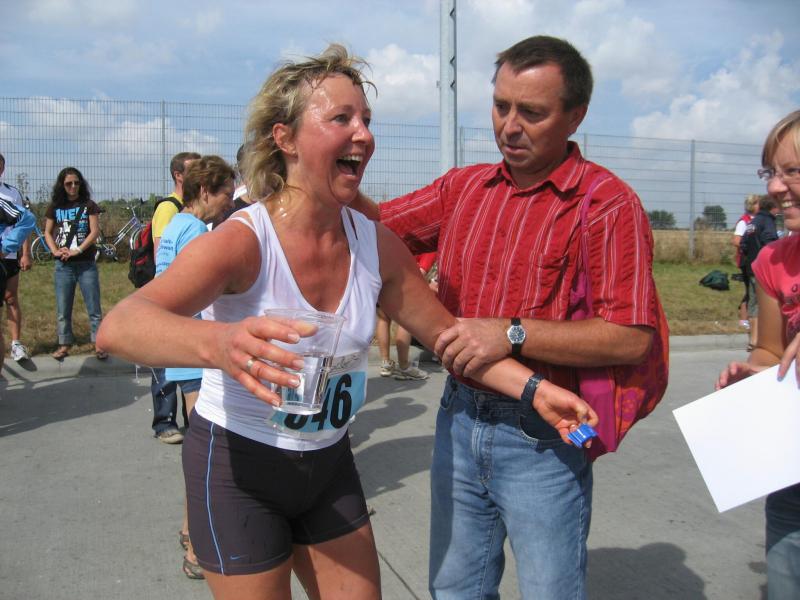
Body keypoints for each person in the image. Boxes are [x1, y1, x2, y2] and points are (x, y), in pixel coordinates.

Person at [95, 44, 598, 599]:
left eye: (366, 119)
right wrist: (219, 343)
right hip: (239, 470)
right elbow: (121, 326)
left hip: (327, 466)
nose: (364, 134)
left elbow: (448, 337)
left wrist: (535, 389)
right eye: (341, 118)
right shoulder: (244, 241)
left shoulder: (376, 245)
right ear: (285, 138)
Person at [352, 35, 663, 598]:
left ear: (575, 115)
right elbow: (377, 228)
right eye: (500, 106)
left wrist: (511, 333)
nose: (509, 126)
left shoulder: (605, 205)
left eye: (532, 112)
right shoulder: (464, 189)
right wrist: (333, 175)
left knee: (549, 589)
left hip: (543, 434)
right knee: (455, 587)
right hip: (458, 414)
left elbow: (630, 337)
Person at [717, 109, 800, 600]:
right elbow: (770, 349)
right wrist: (754, 376)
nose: (775, 187)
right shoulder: (774, 260)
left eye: (793, 171)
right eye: (771, 171)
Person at [153, 155, 235, 580]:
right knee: (207, 451)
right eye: (225, 194)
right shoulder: (198, 232)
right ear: (205, 191)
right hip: (193, 348)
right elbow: (201, 289)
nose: (229, 203)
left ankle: (191, 532)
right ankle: (195, 545)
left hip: (181, 345)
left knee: (203, 445)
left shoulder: (175, 227)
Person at [150, 151, 201, 445]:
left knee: (184, 374)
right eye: (193, 170)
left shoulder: (185, 211)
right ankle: (164, 423)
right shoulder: (169, 209)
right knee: (166, 370)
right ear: (178, 175)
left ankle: (187, 424)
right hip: (170, 298)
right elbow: (162, 252)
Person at [43, 167, 105, 360]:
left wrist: (78, 250)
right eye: (69, 183)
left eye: (76, 183)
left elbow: (94, 232)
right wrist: (54, 250)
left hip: (86, 264)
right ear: (62, 185)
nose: (73, 186)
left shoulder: (89, 205)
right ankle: (64, 343)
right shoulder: (55, 207)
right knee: (63, 308)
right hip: (63, 266)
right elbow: (47, 232)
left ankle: (99, 343)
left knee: (94, 307)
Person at [0, 154, 32, 362]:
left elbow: (24, 225)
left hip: (9, 256)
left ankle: (16, 344)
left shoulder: (12, 193)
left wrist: (25, 253)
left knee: (11, 298)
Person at [741, 194, 781, 350]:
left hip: (751, 267)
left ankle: (753, 339)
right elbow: (770, 243)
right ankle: (763, 341)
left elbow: (743, 244)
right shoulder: (768, 221)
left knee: (753, 303)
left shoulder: (752, 222)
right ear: (773, 207)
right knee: (764, 304)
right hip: (764, 270)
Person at [732, 194, 759, 331]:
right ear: (752, 205)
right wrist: (749, 246)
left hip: (754, 260)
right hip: (746, 260)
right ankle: (743, 320)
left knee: (752, 291)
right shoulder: (744, 222)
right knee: (749, 290)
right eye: (758, 203)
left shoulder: (757, 220)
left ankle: (749, 318)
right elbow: (736, 240)